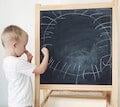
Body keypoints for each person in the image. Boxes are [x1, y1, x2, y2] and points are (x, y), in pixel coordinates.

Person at [1, 25, 49, 107]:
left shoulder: (6, 61)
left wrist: (28, 61)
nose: (24, 49)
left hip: (14, 103)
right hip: (23, 104)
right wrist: (46, 55)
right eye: (24, 46)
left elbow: (21, 74)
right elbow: (41, 70)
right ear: (15, 45)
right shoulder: (17, 63)